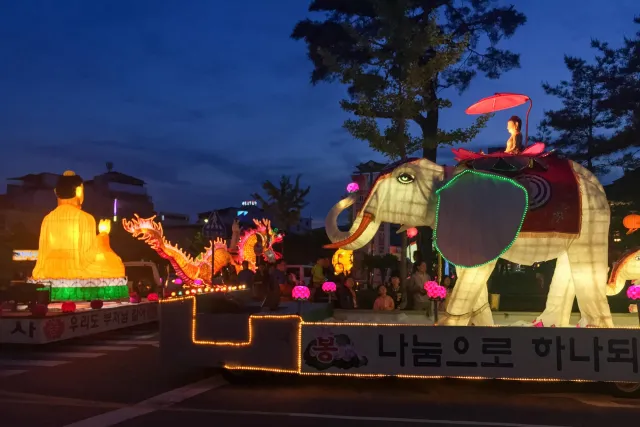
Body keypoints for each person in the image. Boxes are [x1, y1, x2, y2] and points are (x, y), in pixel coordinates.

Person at [32, 170, 124, 280]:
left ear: (56, 192)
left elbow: (42, 256)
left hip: (48, 269)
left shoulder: (47, 219)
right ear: (79, 191)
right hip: (77, 269)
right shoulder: (85, 218)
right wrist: (103, 235)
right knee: (117, 266)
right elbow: (88, 257)